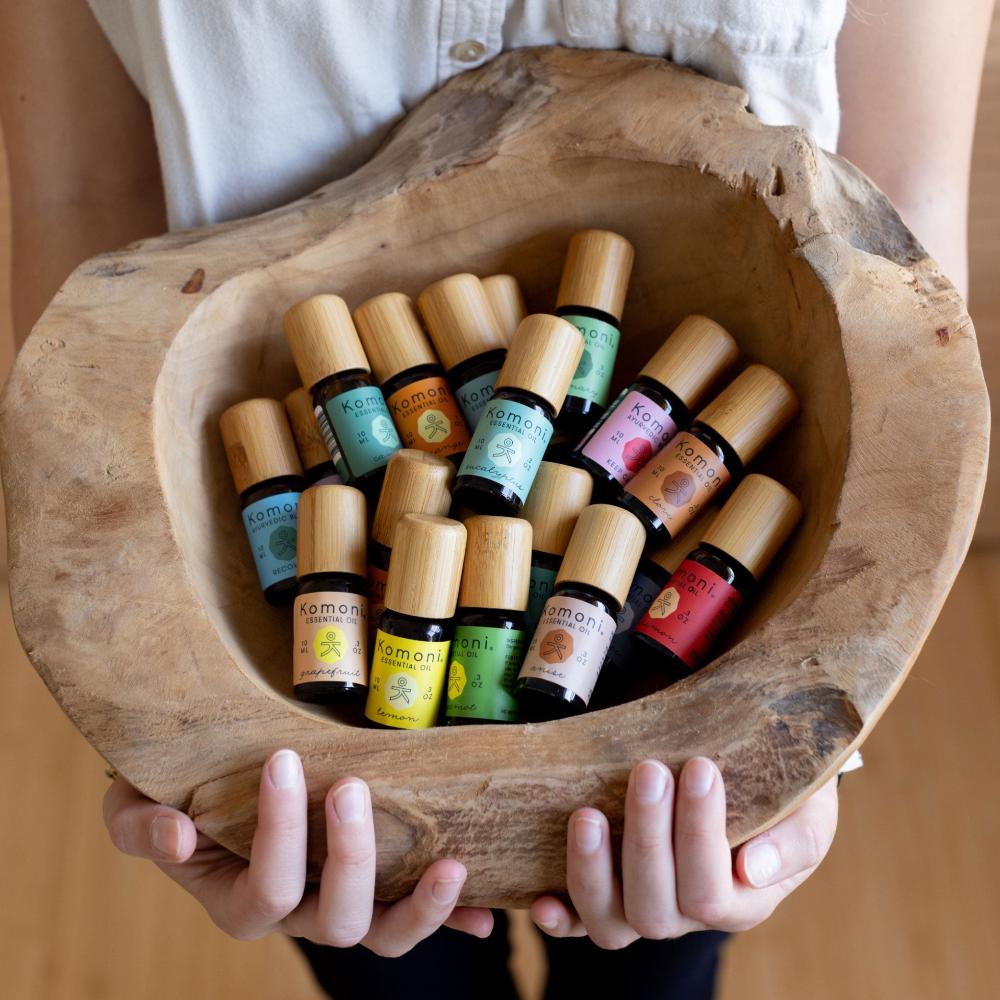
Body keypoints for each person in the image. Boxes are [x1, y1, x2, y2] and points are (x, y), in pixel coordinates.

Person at [1, 2, 993, 997]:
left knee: (654, 955)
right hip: (291, 701)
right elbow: (79, 198)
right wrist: (149, 697)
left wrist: (817, 733)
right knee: (385, 959)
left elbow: (899, 210)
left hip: (705, 688)